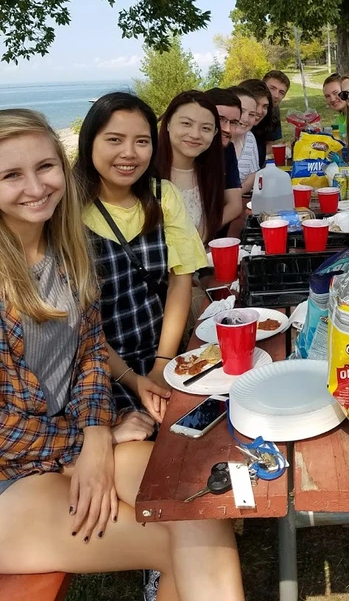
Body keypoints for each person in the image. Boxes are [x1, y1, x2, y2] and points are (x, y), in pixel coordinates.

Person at [0, 109, 243, 600]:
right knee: (172, 541)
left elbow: (90, 352)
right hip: (10, 477)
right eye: (11, 175)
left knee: (195, 511)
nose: (35, 187)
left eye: (45, 168)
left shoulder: (64, 250)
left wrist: (95, 435)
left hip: (66, 447)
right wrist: (96, 439)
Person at [75, 93, 207, 415]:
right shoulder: (69, 211)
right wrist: (132, 380)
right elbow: (78, 321)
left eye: (142, 141)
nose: (129, 154)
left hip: (162, 351)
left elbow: (180, 282)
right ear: (89, 142)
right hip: (95, 367)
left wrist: (162, 364)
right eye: (115, 140)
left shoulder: (163, 195)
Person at [156, 90, 225, 242]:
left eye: (205, 128)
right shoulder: (147, 173)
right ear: (168, 123)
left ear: (215, 133)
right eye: (186, 124)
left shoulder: (210, 173)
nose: (195, 134)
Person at [203, 87, 244, 231]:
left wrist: (204, 233)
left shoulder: (227, 151)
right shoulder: (186, 153)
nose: (227, 128)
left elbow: (235, 205)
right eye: (220, 119)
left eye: (233, 122)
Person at [229, 85, 260, 196]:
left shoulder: (250, 137)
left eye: (251, 114)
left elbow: (252, 177)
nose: (246, 119)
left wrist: (234, 197)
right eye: (242, 111)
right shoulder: (212, 138)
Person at [239, 79, 273, 167]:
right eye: (256, 104)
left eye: (265, 106)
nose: (259, 111)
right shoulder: (229, 135)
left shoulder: (255, 135)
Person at [263, 69, 291, 147]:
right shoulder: (247, 109)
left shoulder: (274, 111)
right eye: (272, 88)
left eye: (281, 92)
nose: (276, 95)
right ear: (262, 87)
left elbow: (269, 145)